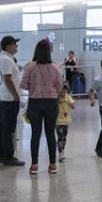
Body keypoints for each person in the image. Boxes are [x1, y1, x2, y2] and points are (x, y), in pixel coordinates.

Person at [20, 38, 63, 175]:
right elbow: (59, 87)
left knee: (35, 134)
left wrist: (35, 87)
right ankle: (52, 165)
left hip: (35, 102)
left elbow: (23, 85)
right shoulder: (55, 68)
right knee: (50, 133)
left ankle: (34, 165)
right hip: (51, 103)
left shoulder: (30, 67)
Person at [0, 36, 25, 167]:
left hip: (5, 98)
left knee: (3, 128)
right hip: (9, 99)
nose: (16, 46)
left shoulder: (4, 58)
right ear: (8, 46)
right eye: (14, 44)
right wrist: (16, 95)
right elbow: (7, 79)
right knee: (8, 129)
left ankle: (3, 155)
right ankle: (8, 157)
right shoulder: (6, 59)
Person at [56, 84, 76, 159]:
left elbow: (73, 107)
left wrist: (67, 102)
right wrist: (58, 102)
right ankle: (60, 152)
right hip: (58, 121)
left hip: (66, 121)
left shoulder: (68, 97)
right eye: (61, 92)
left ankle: (62, 150)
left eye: (64, 92)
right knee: (60, 136)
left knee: (64, 137)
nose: (63, 93)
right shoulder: (56, 98)